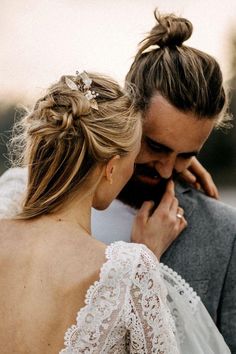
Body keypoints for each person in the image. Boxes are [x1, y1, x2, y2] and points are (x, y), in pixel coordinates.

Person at [91, 12, 236, 353]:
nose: (169, 170)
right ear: (127, 114)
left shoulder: (224, 232)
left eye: (187, 154)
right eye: (157, 146)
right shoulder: (63, 205)